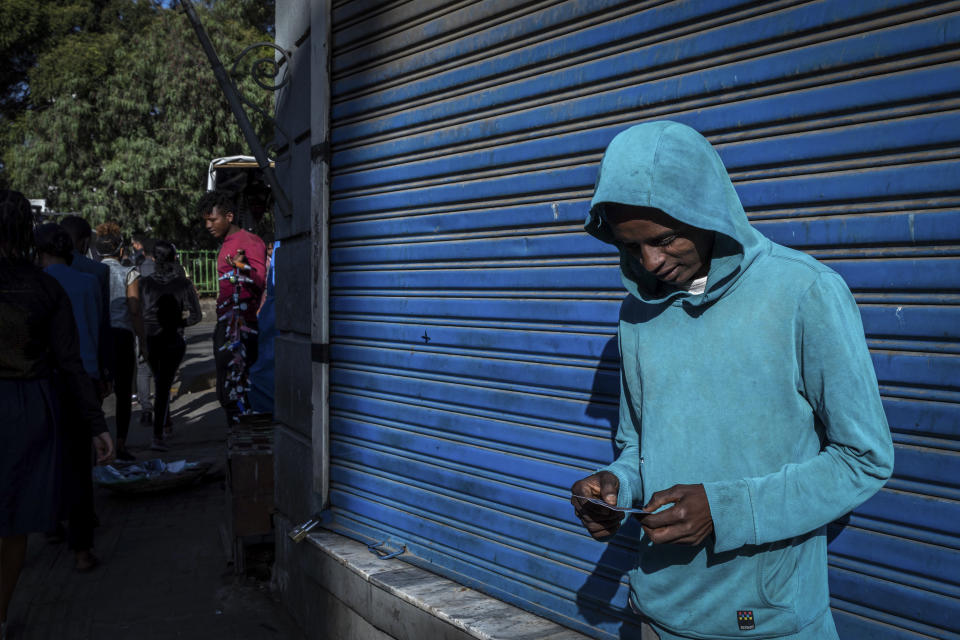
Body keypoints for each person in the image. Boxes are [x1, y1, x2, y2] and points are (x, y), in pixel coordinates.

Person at [569, 122, 894, 640]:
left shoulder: (804, 293)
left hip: (764, 621)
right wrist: (618, 486)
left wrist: (725, 511)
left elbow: (864, 459)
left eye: (665, 238)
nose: (651, 262)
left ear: (708, 211)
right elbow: (639, 444)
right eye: (631, 247)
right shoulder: (637, 313)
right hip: (654, 613)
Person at [1, 191, 113, 638]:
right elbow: (70, 362)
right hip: (28, 409)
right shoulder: (45, 287)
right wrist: (96, 424)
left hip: (25, 406)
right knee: (11, 521)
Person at [35, 223, 106, 572]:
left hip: (43, 382)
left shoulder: (35, 286)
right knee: (80, 465)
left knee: (48, 458)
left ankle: (50, 523)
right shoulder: (89, 283)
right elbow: (96, 332)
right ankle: (82, 550)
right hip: (83, 380)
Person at [196, 190, 266, 426]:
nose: (208, 225)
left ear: (228, 216)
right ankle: (235, 449)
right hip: (227, 324)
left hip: (242, 326)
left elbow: (260, 279)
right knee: (227, 392)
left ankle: (243, 450)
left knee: (237, 391)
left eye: (212, 219)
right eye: (205, 220)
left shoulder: (249, 241)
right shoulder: (227, 244)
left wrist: (244, 266)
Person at [139, 240, 202, 450]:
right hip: (173, 339)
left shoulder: (144, 283)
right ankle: (160, 431)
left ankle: (163, 425)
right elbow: (196, 315)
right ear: (175, 258)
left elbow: (137, 312)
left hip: (150, 338)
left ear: (154, 259)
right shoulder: (183, 284)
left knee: (160, 381)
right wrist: (178, 323)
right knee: (163, 384)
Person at [96, 222, 145, 460]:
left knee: (97, 391)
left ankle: (100, 444)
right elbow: (134, 308)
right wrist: (142, 339)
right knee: (124, 392)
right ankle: (121, 444)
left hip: (100, 337)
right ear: (121, 251)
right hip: (123, 336)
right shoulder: (130, 272)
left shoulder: (91, 272)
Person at [60, 215, 113, 397]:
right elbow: (103, 323)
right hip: (88, 362)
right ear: (85, 242)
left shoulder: (42, 269)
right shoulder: (97, 271)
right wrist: (106, 370)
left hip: (54, 365)